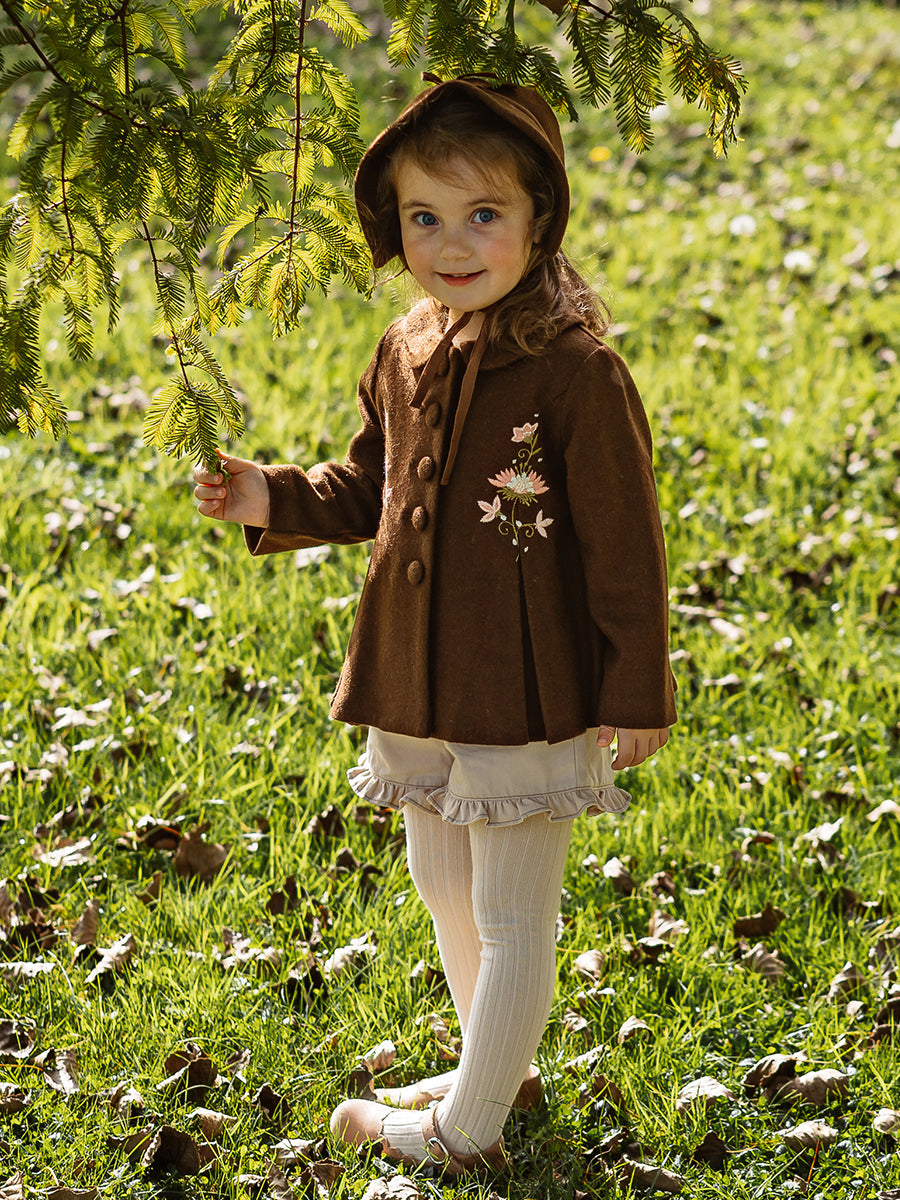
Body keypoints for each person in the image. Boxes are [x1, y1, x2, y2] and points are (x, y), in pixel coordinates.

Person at [193, 74, 677, 1175]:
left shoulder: (577, 373)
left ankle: (466, 1133)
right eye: (424, 217)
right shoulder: (408, 345)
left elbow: (626, 547)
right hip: (417, 671)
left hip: (528, 685)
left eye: (483, 214)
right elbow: (372, 484)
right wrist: (272, 495)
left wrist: (635, 690)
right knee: (441, 877)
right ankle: (494, 1070)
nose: (451, 245)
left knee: (512, 911)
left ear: (540, 218)